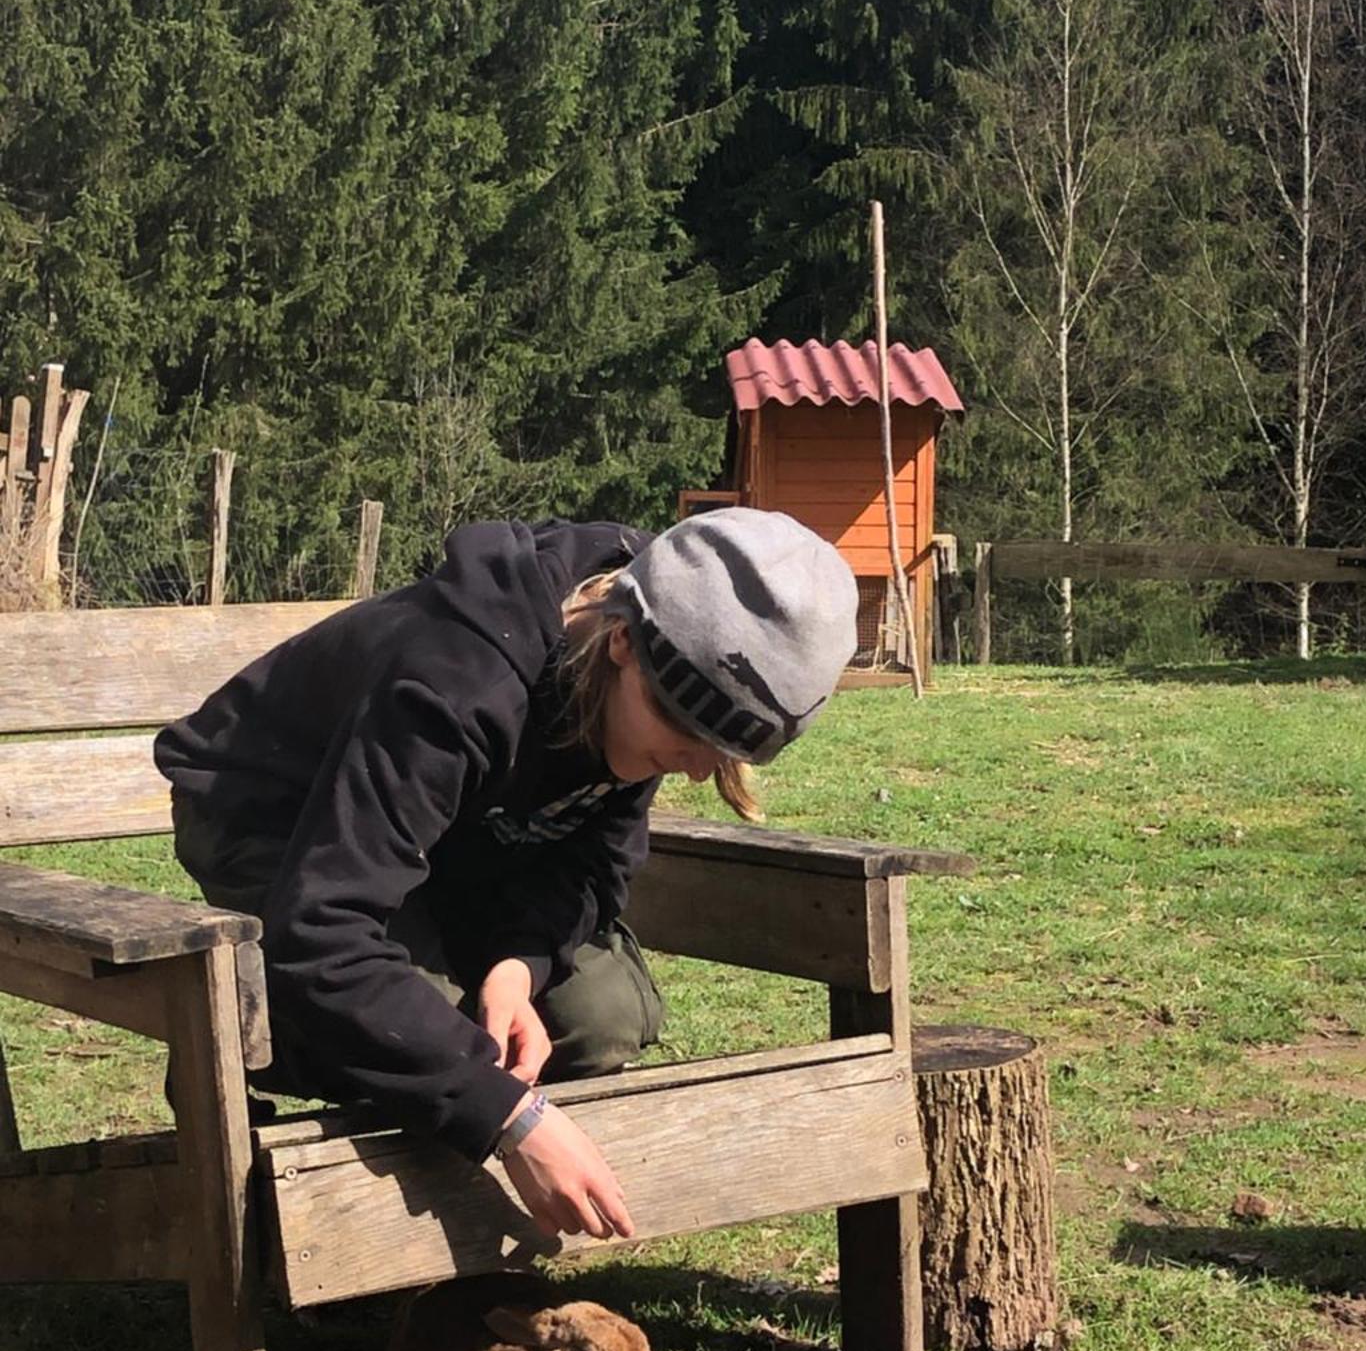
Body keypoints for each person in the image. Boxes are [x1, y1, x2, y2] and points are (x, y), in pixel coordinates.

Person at [155, 509, 858, 1245]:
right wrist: (512, 1119)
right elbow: (325, 928)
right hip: (271, 813)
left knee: (598, 1015)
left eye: (723, 752)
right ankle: (249, 1040)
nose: (694, 767)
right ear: (621, 644)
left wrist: (518, 966)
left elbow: (594, 860)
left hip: (456, 834)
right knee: (437, 1025)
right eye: (685, 734)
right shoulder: (453, 680)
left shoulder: (663, 657)